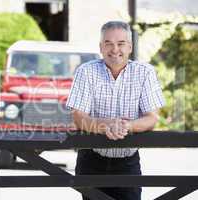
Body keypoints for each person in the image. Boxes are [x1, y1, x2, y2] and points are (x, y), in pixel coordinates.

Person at [66, 21, 165, 200]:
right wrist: (106, 125)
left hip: (127, 162)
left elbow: (152, 117)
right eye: (108, 43)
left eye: (120, 44)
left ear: (130, 47)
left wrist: (126, 126)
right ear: (101, 47)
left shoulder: (146, 73)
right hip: (91, 161)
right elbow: (78, 117)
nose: (114, 49)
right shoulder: (85, 72)